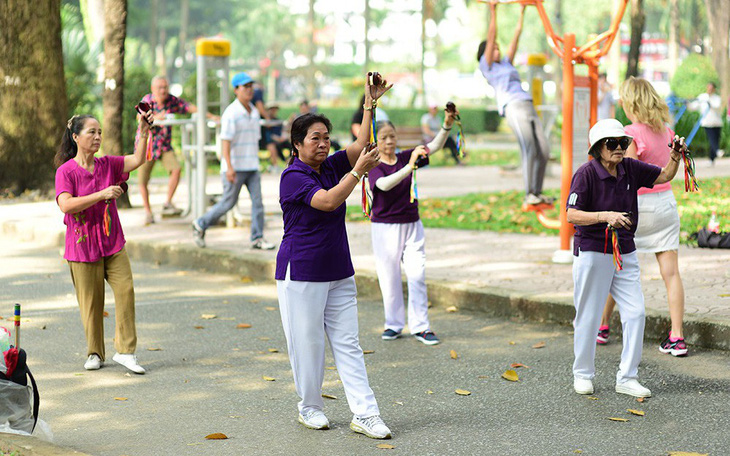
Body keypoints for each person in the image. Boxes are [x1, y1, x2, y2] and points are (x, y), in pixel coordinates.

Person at [275, 74, 393, 439]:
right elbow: (327, 202)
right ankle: (309, 407)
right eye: (316, 138)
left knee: (349, 344)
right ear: (297, 145)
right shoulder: (292, 176)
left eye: (327, 137)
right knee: (307, 345)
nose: (324, 143)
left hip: (339, 269)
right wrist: (358, 173)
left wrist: (369, 103)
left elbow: (360, 144)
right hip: (302, 272)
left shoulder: (330, 165)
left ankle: (365, 413)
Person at [567, 118, 683, 398]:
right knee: (589, 316)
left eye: (623, 142)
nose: (619, 148)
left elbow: (665, 176)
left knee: (636, 313)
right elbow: (571, 214)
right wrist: (604, 216)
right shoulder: (586, 174)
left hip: (625, 250)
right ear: (597, 148)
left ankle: (627, 377)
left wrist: (675, 157)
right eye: (612, 143)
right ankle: (582, 374)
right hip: (593, 250)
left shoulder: (630, 168)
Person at [54, 109, 155, 374]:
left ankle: (126, 351)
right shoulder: (66, 171)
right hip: (82, 246)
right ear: (76, 137)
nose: (98, 137)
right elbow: (66, 205)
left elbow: (138, 159)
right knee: (91, 304)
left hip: (112, 242)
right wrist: (101, 195)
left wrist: (143, 131)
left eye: (100, 132)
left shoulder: (108, 164)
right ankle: (95, 353)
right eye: (91, 132)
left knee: (126, 290)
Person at [597, 77, 688, 357]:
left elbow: (628, 173)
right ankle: (677, 337)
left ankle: (601, 327)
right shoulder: (667, 130)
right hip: (666, 205)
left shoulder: (629, 132)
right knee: (671, 273)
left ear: (630, 102)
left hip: (639, 207)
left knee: (616, 268)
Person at [367, 106, 459, 346]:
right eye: (384, 138)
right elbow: (384, 185)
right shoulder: (373, 164)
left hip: (411, 224)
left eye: (392, 137)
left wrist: (447, 124)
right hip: (385, 227)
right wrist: (409, 166)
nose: (389, 141)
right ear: (376, 141)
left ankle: (421, 327)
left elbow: (435, 146)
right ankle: (393, 324)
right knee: (389, 277)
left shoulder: (406, 156)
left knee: (417, 274)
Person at [478, 3, 551, 206]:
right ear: (485, 53)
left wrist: (522, 10)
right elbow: (492, 34)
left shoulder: (506, 63)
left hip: (528, 104)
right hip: (513, 107)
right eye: (494, 48)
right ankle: (529, 194)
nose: (498, 50)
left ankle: (537, 191)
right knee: (529, 148)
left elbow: (516, 36)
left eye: (499, 48)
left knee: (543, 149)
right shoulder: (487, 67)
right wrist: (493, 10)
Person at [192, 72, 275, 250]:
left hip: (252, 166)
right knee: (227, 203)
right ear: (236, 90)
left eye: (251, 86)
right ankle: (200, 223)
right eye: (245, 87)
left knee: (258, 203)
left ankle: (257, 238)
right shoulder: (231, 113)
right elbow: (225, 142)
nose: (249, 90)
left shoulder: (253, 112)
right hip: (235, 168)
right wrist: (229, 167)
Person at [136, 76, 219, 225]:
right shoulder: (147, 100)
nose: (163, 90)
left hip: (164, 145)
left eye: (165, 87)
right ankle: (148, 212)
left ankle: (167, 202)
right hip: (147, 145)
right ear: (153, 89)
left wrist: (211, 116)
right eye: (160, 87)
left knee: (176, 169)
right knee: (142, 180)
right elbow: (139, 117)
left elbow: (190, 107)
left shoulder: (172, 100)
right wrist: (155, 117)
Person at [696, 82, 723, 165]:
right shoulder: (702, 97)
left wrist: (710, 103)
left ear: (714, 89)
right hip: (707, 122)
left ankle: (712, 159)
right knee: (712, 139)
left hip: (717, 122)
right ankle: (717, 151)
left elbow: (717, 106)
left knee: (715, 140)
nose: (709, 90)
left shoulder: (717, 98)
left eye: (711, 88)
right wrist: (687, 104)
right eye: (708, 88)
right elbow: (695, 105)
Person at [263, 103, 291, 171]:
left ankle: (289, 161)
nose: (273, 111)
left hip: (280, 140)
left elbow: (282, 131)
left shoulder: (278, 120)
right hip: (270, 141)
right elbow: (268, 135)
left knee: (291, 146)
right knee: (276, 146)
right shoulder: (265, 121)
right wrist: (277, 139)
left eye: (275, 110)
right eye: (272, 109)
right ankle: (283, 162)